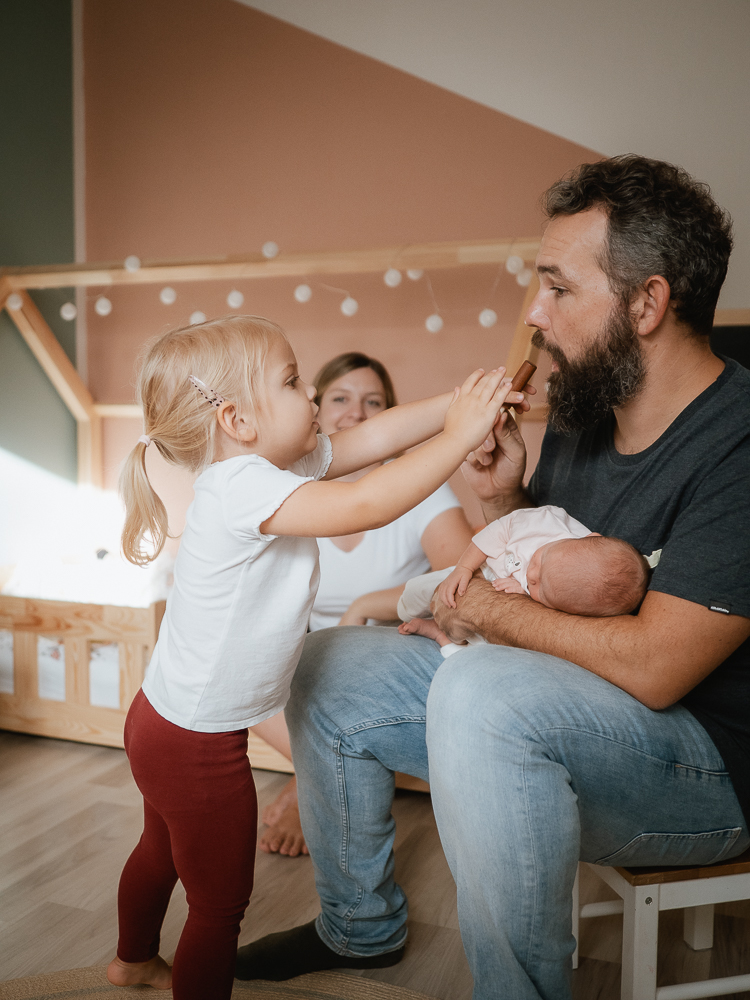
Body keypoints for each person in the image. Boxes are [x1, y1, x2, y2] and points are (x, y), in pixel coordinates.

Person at [235, 156, 750, 1000]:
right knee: (326, 665)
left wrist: (474, 604)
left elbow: (659, 667)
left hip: (706, 768)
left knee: (485, 693)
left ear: (647, 303)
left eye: (558, 288)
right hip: (567, 702)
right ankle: (358, 927)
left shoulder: (738, 445)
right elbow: (546, 563)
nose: (535, 313)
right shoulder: (587, 407)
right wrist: (504, 494)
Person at [105, 313, 522, 999]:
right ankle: (147, 966)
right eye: (293, 379)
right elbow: (365, 502)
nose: (310, 393)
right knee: (218, 905)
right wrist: (458, 437)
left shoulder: (267, 470)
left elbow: (375, 440)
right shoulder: (243, 487)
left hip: (161, 721)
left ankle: (132, 962)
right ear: (237, 420)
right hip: (197, 744)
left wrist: (460, 404)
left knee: (160, 850)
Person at [253, 351, 474, 856]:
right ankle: (315, 771)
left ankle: (315, 780)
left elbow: (461, 577)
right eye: (340, 398)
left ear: (390, 416)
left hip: (390, 656)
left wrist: (367, 605)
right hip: (310, 656)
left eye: (373, 402)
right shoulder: (289, 489)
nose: (356, 411)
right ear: (315, 408)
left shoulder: (421, 485)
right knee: (240, 680)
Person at [397, 505, 650, 656]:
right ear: (586, 538)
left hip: (497, 606)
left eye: (540, 589)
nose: (531, 576)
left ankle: (441, 636)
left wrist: (524, 592)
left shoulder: (575, 593)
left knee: (483, 650)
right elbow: (497, 531)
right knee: (421, 591)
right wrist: (464, 567)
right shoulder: (546, 522)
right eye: (539, 561)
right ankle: (405, 609)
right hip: (480, 569)